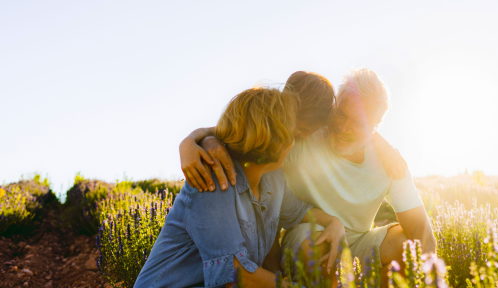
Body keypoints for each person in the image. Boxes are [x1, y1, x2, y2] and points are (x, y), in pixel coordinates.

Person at [179, 70, 430, 284]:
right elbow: (251, 128)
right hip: (308, 235)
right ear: (334, 107)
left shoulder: (390, 162)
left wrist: (429, 275)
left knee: (409, 245)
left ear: (375, 127)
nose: (343, 127)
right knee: (317, 244)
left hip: (360, 239)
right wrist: (197, 138)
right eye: (341, 114)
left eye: (358, 123)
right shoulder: (303, 134)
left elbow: (420, 227)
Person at [134, 87, 345, 288]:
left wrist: (335, 223)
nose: (295, 141)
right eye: (292, 133)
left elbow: (298, 210)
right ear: (277, 141)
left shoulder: (274, 179)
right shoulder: (213, 179)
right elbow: (235, 276)